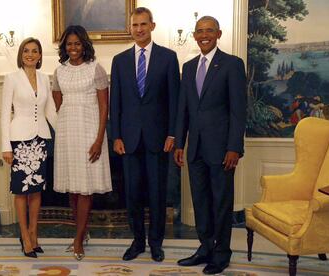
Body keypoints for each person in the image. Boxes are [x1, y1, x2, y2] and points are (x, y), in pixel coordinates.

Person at [174, 16, 246, 274]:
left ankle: (221, 254)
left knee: (221, 203)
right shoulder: (189, 66)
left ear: (218, 34)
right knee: (201, 202)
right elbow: (183, 108)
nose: (204, 35)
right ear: (194, 35)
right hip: (195, 150)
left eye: (209, 31)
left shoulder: (232, 64)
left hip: (222, 150)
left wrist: (234, 147)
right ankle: (205, 248)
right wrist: (180, 143)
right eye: (200, 31)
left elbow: (239, 110)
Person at [110, 7, 180, 262]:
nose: (138, 29)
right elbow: (115, 102)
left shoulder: (168, 58)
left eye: (143, 24)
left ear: (152, 25)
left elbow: (175, 99)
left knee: (157, 194)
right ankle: (138, 241)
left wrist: (173, 134)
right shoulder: (119, 61)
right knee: (133, 194)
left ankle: (156, 243)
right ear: (130, 28)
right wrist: (116, 135)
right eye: (134, 25)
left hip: (158, 139)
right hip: (128, 139)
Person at [52, 25, 112, 261]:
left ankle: (78, 239)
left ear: (84, 44)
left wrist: (98, 140)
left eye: (77, 43)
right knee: (72, 187)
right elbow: (58, 104)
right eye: (69, 44)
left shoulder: (95, 69)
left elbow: (104, 107)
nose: (73, 48)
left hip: (89, 130)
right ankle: (82, 232)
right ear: (64, 46)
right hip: (67, 131)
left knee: (84, 186)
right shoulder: (59, 71)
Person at [1, 37, 56, 258]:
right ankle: (24, 236)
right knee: (21, 190)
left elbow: (50, 111)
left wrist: (67, 133)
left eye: (34, 51)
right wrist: (6, 146)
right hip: (19, 141)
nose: (30, 54)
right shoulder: (11, 78)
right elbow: (5, 114)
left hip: (40, 139)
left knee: (36, 190)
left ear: (40, 55)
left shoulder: (45, 79)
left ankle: (34, 234)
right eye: (26, 51)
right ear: (21, 54)